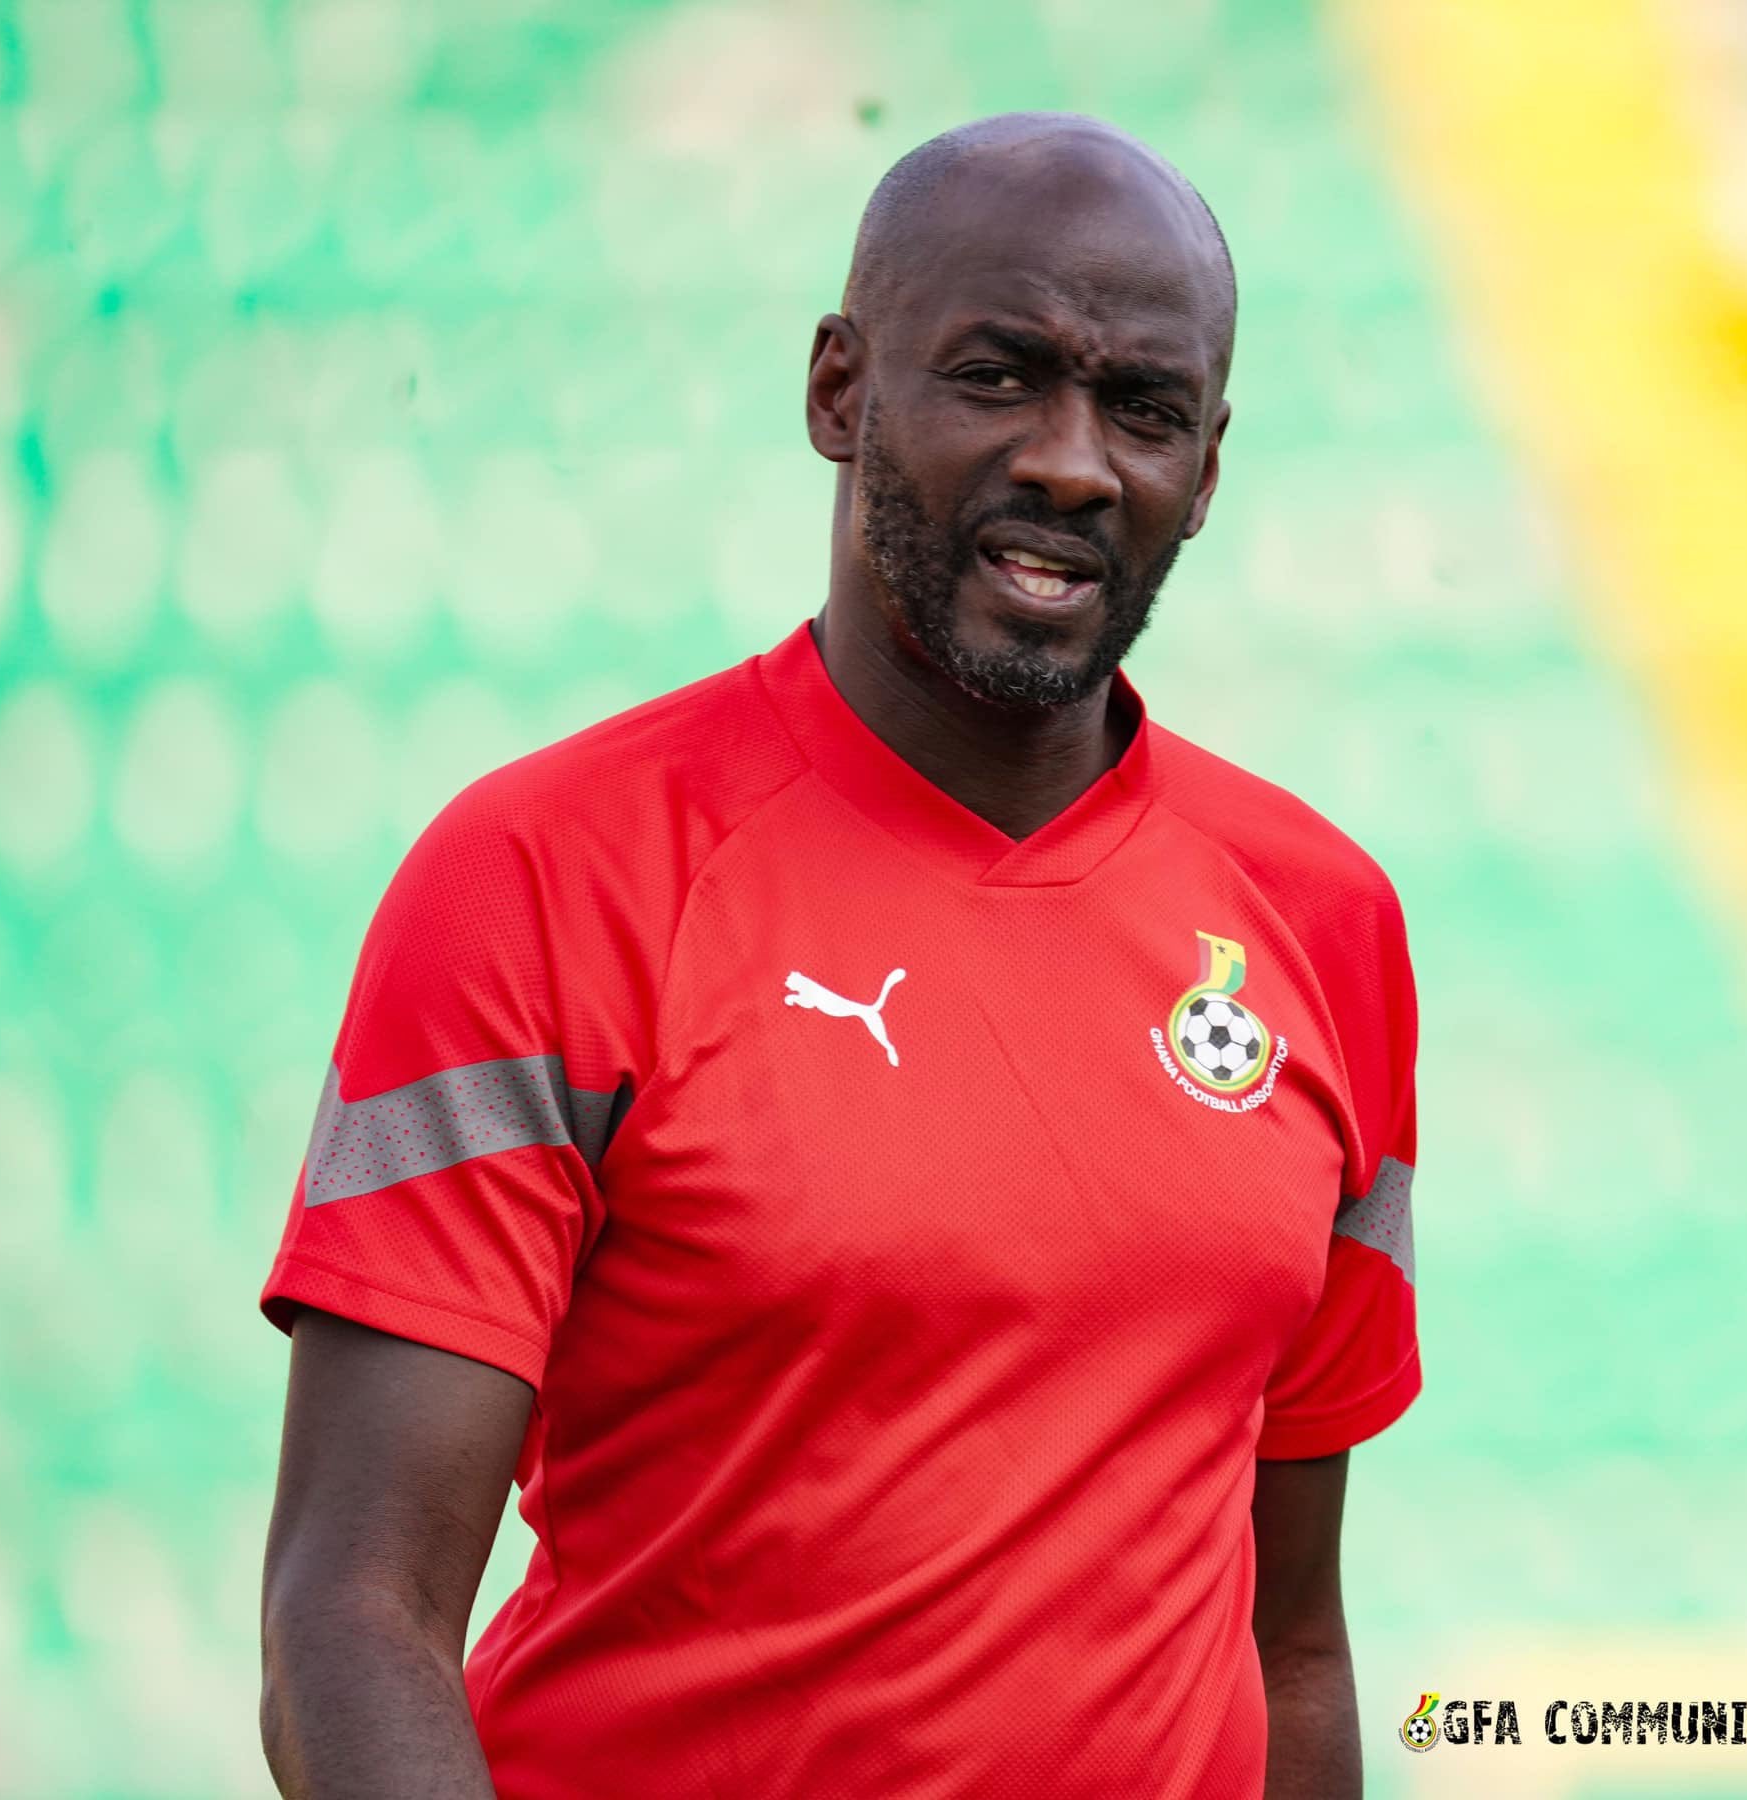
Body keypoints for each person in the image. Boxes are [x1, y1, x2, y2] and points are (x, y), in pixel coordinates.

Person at [258, 110, 1420, 1800]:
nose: (1075, 464)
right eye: (1000, 376)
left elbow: (1289, 1642)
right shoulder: (541, 875)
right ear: (837, 392)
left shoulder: (1321, 921)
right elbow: (352, 1621)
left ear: (1210, 469)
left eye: (1145, 409)